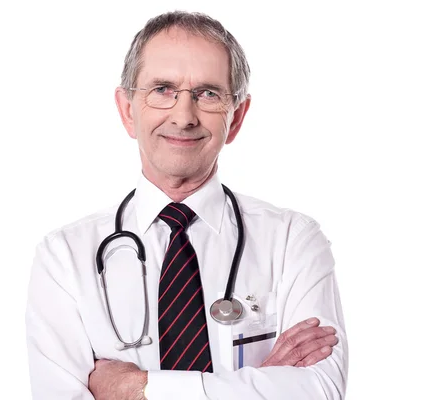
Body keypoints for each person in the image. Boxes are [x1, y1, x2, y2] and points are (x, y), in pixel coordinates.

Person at [25, 10, 348, 400]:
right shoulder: (64, 257)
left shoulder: (293, 241)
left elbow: (319, 391)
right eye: (162, 89)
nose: (184, 116)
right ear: (128, 110)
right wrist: (261, 382)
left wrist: (138, 388)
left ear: (238, 116)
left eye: (208, 94)